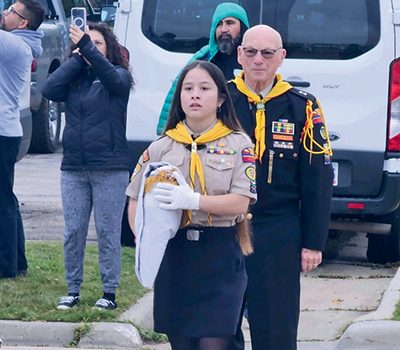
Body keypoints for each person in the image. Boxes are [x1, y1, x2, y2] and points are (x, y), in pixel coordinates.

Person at [126, 60, 257, 350]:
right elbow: (135, 198)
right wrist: (145, 236)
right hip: (176, 255)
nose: (195, 95)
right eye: (188, 88)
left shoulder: (239, 145)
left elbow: (241, 201)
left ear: (221, 99)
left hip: (219, 254)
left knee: (216, 341)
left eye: (204, 88)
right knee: (182, 342)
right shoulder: (161, 147)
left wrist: (194, 201)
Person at [228, 25, 334, 350]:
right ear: (239, 55)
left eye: (267, 53)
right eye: (251, 52)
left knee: (276, 326)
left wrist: (313, 243)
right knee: (220, 323)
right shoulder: (221, 100)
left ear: (281, 58)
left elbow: (317, 179)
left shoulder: (302, 106)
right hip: (224, 225)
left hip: (277, 228)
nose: (258, 60)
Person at [41, 22, 133, 310]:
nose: (89, 45)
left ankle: (109, 293)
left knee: (107, 231)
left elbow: (115, 81)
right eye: (85, 41)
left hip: (110, 168)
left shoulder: (117, 76)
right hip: (74, 168)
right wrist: (76, 59)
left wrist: (89, 49)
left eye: (97, 42)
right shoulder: (74, 78)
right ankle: (73, 289)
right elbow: (48, 88)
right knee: (73, 231)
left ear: (109, 48)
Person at [156, 2, 249, 135]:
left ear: (243, 27)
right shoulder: (204, 57)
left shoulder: (253, 59)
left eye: (229, 23)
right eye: (219, 24)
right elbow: (176, 97)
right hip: (206, 134)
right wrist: (165, 131)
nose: (223, 29)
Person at [0, 0, 44, 279]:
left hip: (2, 132)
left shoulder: (14, 45)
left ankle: (6, 267)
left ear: (23, 22)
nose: (5, 13)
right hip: (8, 130)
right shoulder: (17, 44)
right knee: (6, 199)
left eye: (10, 11)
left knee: (3, 202)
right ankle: (17, 262)